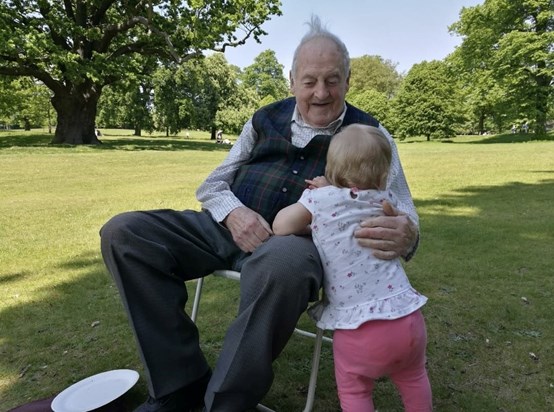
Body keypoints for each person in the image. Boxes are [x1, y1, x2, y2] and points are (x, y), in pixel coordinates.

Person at [100, 15, 419, 412]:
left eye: (332, 80)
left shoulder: (370, 134)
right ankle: (178, 386)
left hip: (297, 243)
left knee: (282, 264)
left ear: (348, 81)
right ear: (292, 80)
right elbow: (213, 185)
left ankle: (225, 404)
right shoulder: (264, 117)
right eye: (309, 81)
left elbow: (404, 212)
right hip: (228, 223)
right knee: (125, 234)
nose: (321, 92)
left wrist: (406, 234)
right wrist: (235, 214)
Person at [273, 124, 431, 412]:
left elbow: (281, 226)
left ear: (330, 170)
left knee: (355, 390)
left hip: (358, 328)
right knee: (414, 377)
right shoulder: (387, 203)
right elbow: (355, 204)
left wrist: (313, 208)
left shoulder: (318, 199)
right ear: (383, 175)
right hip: (407, 318)